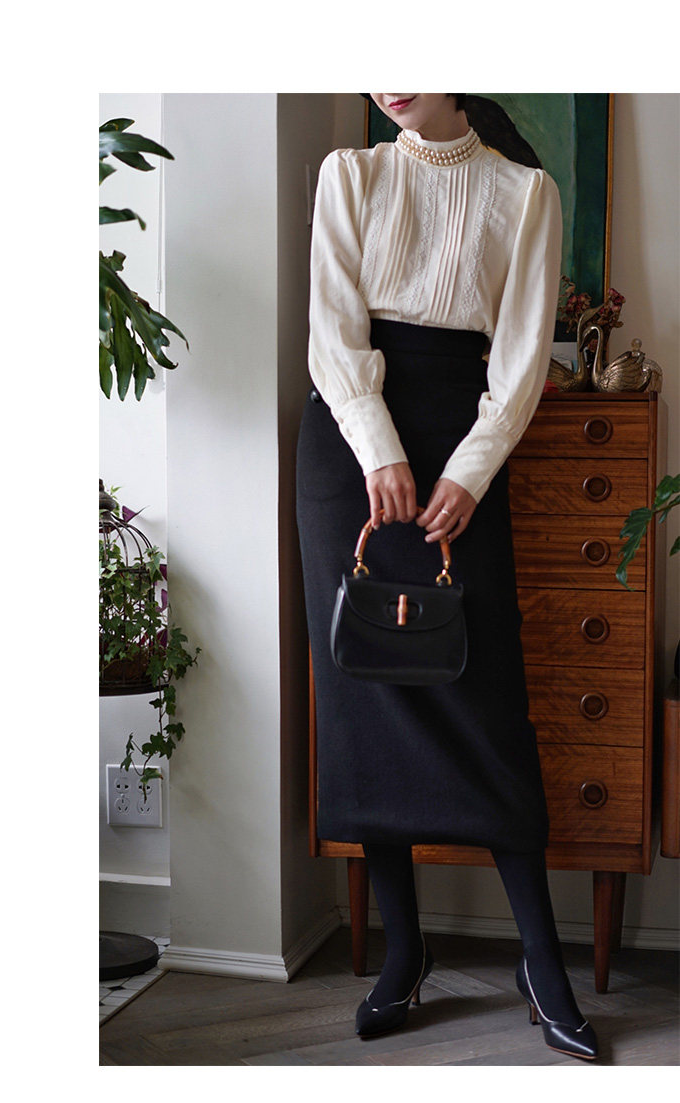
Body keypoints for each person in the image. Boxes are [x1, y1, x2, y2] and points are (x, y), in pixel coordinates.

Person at [296, 93, 598, 1060]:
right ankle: (404, 951)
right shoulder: (350, 174)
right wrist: (379, 450)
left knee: (484, 700)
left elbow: (521, 359)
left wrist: (468, 471)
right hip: (352, 448)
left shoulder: (526, 193)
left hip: (464, 448)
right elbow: (333, 329)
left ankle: (541, 963)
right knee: (367, 694)